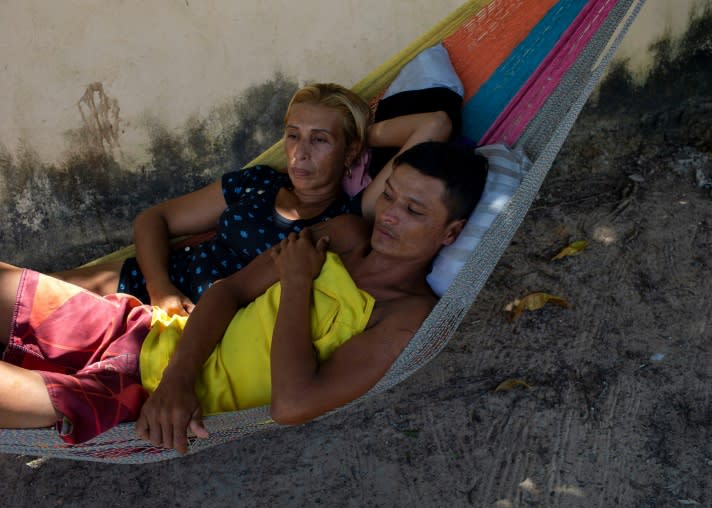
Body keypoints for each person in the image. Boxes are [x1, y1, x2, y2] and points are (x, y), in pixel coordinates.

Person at [0, 141, 488, 454]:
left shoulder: (405, 315)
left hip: (137, 402)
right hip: (146, 335)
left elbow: (294, 404)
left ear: (452, 233)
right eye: (391, 196)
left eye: (414, 210)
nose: (390, 215)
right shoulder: (343, 232)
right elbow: (229, 290)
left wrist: (297, 285)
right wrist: (178, 378)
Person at [51, 83, 454, 315]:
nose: (300, 151)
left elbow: (435, 124)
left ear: (349, 153)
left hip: (197, 325)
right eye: (293, 135)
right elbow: (154, 219)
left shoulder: (351, 216)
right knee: (21, 294)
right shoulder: (257, 182)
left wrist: (357, 135)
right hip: (153, 282)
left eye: (320, 139)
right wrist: (160, 288)